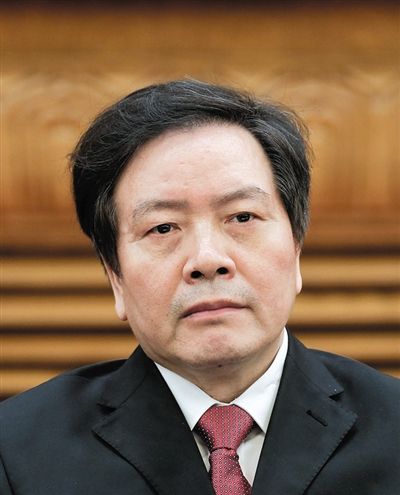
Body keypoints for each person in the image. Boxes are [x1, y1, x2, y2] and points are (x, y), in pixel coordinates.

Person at [0, 80, 398, 495]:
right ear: (114, 275)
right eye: (163, 228)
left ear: (296, 248)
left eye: (242, 217)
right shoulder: (16, 453)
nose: (207, 260)